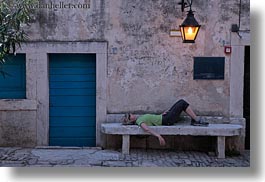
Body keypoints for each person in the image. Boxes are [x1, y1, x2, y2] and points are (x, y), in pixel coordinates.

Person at [122, 99, 209, 146]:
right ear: (130, 120)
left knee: (181, 103)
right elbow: (146, 129)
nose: (131, 114)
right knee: (182, 103)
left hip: (164, 117)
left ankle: (195, 120)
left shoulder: (139, 118)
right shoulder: (139, 121)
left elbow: (153, 119)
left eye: (130, 114)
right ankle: (196, 120)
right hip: (167, 120)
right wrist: (158, 136)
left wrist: (162, 114)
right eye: (130, 116)